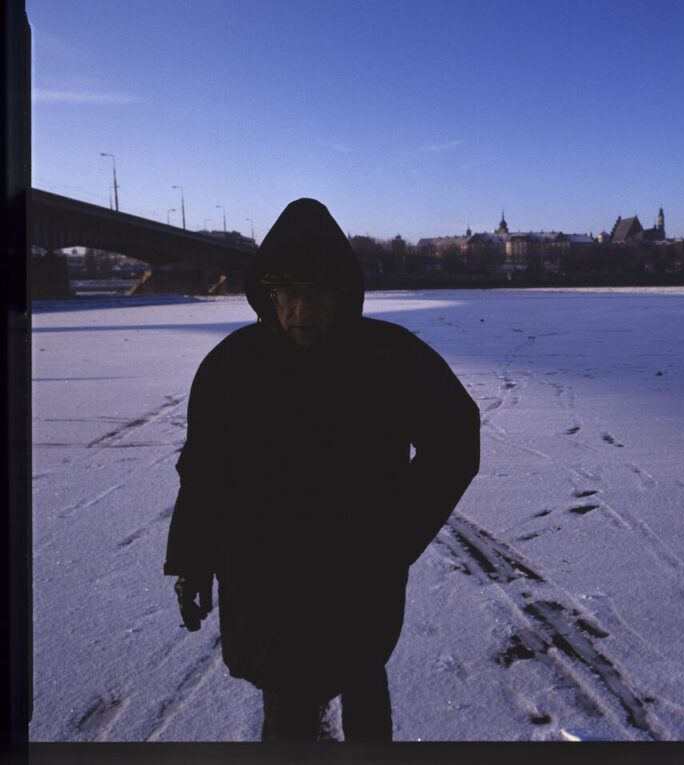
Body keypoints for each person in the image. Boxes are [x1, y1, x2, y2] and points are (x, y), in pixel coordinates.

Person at [163, 198, 480, 742]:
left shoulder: (388, 360)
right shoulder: (232, 367)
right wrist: (191, 560)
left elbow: (455, 437)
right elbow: (204, 471)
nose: (302, 312)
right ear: (268, 292)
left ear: (342, 292)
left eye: (317, 294)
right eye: (289, 293)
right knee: (286, 710)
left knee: (363, 696)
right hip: (268, 583)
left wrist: (393, 534)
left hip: (355, 580)